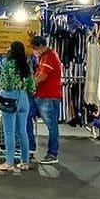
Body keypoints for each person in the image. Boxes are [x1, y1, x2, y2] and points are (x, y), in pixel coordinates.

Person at [0, 41, 36, 172]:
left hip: (10, 99)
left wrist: (0, 92)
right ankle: (25, 161)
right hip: (24, 99)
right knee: (22, 131)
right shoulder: (27, 65)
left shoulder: (7, 65)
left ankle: (9, 162)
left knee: (9, 132)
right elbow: (32, 86)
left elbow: (5, 84)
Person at [31, 36, 63, 165]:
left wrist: (30, 84)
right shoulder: (44, 57)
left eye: (35, 48)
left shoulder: (50, 57)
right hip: (41, 95)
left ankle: (52, 153)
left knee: (51, 126)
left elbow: (42, 77)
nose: (34, 51)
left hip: (48, 97)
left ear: (41, 46)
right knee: (27, 116)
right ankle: (29, 148)